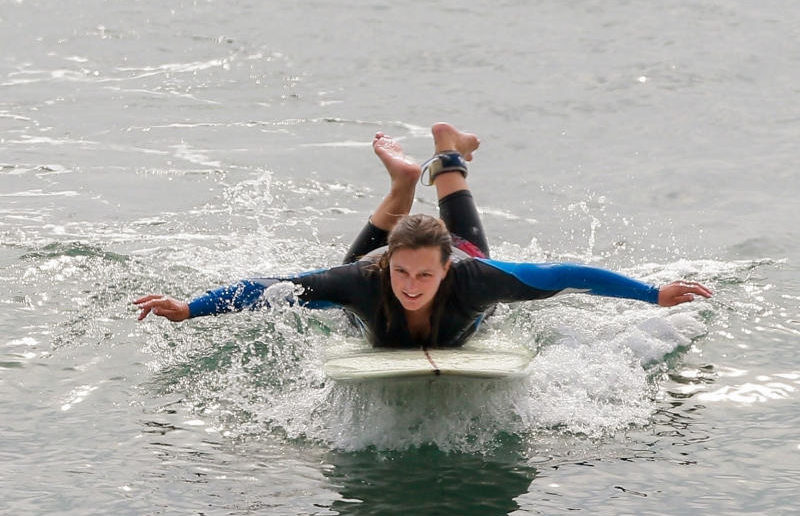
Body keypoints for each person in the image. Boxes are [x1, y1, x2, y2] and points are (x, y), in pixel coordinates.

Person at [134, 123, 712, 348]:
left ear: (446, 268)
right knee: (348, 273)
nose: (413, 284)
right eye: (403, 272)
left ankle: (443, 156)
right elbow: (270, 288)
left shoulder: (473, 277)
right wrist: (190, 308)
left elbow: (566, 275)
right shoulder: (364, 279)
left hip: (457, 253)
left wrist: (653, 295)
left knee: (473, 243)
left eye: (425, 274)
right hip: (374, 263)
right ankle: (413, 176)